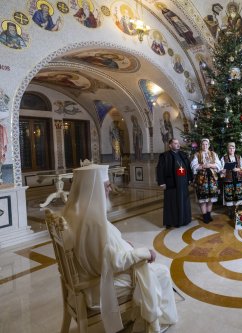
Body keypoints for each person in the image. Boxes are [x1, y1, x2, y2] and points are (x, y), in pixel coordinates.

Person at [63, 164, 178, 333]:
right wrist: (144, 253)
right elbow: (115, 263)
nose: (110, 189)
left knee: (149, 269)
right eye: (106, 185)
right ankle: (161, 320)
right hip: (99, 285)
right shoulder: (94, 223)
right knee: (161, 272)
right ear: (93, 189)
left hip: (85, 277)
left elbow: (103, 250)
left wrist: (123, 245)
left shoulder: (75, 213)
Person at [156, 138, 193, 228]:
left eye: (178, 143)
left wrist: (189, 178)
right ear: (170, 145)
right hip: (171, 183)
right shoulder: (165, 156)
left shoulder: (182, 155)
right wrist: (162, 182)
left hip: (183, 183)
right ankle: (171, 221)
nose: (178, 145)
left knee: (183, 201)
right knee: (171, 202)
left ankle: (184, 219)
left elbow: (188, 167)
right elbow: (160, 169)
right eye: (175, 143)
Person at [190, 138, 222, 223]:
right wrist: (203, 166)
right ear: (201, 145)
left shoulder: (213, 154)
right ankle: (204, 215)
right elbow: (193, 165)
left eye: (206, 144)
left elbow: (219, 165)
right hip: (201, 179)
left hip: (212, 178)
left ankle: (208, 214)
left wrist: (211, 165)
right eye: (203, 144)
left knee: (211, 198)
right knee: (203, 198)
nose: (205, 146)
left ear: (209, 145)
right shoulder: (197, 154)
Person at [220, 142, 242, 219]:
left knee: (238, 195)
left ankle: (236, 210)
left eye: (233, 148)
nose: (231, 149)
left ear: (235, 149)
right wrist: (223, 170)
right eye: (230, 148)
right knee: (229, 195)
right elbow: (221, 167)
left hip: (238, 179)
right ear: (227, 149)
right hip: (228, 179)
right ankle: (230, 211)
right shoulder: (224, 158)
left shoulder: (238, 157)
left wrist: (238, 169)